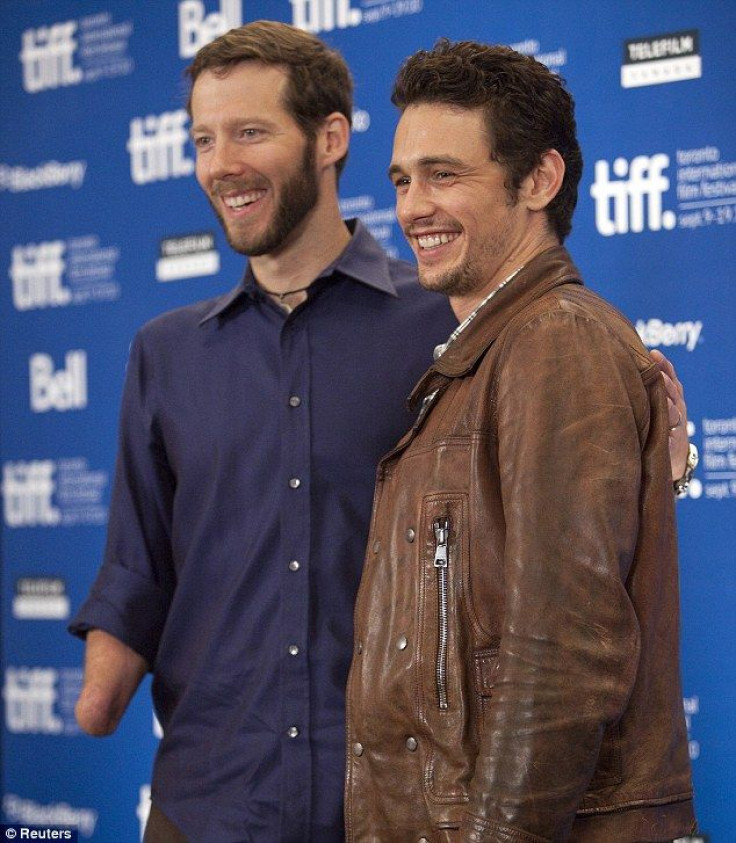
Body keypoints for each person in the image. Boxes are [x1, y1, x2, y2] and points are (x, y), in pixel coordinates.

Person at [68, 22, 692, 843]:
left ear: (329, 140)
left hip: (393, 806)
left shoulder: (481, 326)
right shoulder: (167, 351)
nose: (220, 162)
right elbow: (138, 563)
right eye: (202, 139)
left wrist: (643, 442)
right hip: (215, 797)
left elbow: (560, 635)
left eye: (250, 131)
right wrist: (99, 696)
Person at [345, 40, 696, 842]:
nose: (411, 208)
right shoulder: (493, 351)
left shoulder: (554, 342)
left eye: (444, 174)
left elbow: (562, 654)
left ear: (538, 180)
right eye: (402, 179)